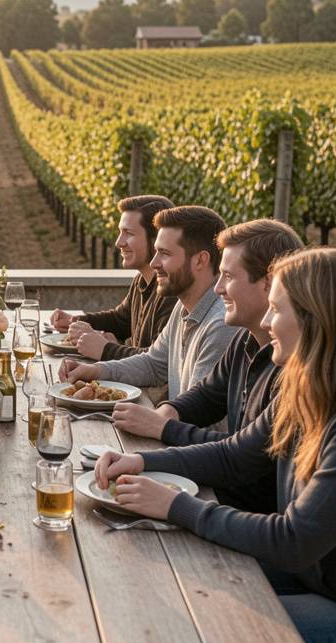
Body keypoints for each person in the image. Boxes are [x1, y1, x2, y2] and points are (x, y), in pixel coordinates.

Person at [97, 248, 336, 643]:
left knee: (205, 629)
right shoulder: (312, 388)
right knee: (179, 581)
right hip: (322, 582)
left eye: (275, 309)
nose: (263, 322)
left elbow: (293, 540)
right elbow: (234, 456)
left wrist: (176, 506)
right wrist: (142, 462)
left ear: (317, 319)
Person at [111, 219, 304, 513]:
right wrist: (164, 420)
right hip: (228, 506)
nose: (218, 289)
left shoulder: (289, 370)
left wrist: (164, 429)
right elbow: (208, 395)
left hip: (243, 518)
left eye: (227, 276)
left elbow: (240, 458)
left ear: (269, 282)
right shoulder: (245, 340)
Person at [60, 205, 239, 405]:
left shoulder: (220, 324)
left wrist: (150, 420)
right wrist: (96, 370)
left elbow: (196, 411)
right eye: (156, 252)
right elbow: (153, 364)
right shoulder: (183, 307)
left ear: (200, 260)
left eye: (164, 253)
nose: (154, 263)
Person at [49, 195, 176, 360]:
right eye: (120, 232)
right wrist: (75, 320)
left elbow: (157, 362)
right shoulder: (141, 280)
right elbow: (120, 320)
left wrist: (106, 349)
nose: (119, 242)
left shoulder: (171, 292)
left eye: (128, 233)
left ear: (156, 239)